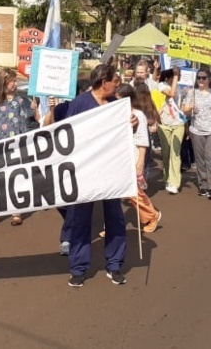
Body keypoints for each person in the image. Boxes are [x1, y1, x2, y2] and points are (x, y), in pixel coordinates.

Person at [65, 64, 128, 287]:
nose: (118, 85)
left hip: (112, 170)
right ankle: (79, 268)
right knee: (81, 219)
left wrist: (133, 123)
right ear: (104, 82)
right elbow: (66, 135)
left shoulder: (116, 105)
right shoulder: (80, 104)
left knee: (115, 217)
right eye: (115, 82)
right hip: (86, 171)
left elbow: (123, 133)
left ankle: (115, 264)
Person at [0, 68, 38, 227]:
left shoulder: (19, 101)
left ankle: (16, 212)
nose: (16, 84)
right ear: (4, 82)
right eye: (13, 81)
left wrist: (26, 146)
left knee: (14, 179)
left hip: (14, 146)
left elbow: (24, 125)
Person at [117, 84, 162, 233]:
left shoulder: (139, 115)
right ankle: (113, 226)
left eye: (118, 99)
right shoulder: (116, 114)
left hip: (133, 156)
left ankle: (152, 215)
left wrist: (140, 161)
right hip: (119, 157)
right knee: (116, 193)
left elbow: (143, 140)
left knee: (133, 192)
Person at [182, 68, 211, 200]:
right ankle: (203, 184)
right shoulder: (192, 93)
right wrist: (189, 108)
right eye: (199, 78)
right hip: (197, 130)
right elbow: (184, 110)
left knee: (210, 157)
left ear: (209, 79)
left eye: (204, 78)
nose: (201, 80)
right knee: (200, 159)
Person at [156, 68, 186, 194]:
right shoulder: (161, 85)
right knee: (166, 153)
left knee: (176, 152)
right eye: (176, 74)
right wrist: (174, 76)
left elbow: (182, 106)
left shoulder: (182, 87)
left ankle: (174, 182)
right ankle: (168, 177)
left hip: (178, 123)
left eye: (179, 74)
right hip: (164, 124)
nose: (178, 76)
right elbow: (171, 94)